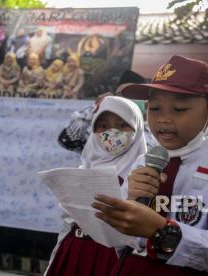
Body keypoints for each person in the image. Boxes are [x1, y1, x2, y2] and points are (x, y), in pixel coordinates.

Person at [92, 55, 208, 275]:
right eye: (155, 108)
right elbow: (116, 239)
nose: (163, 119)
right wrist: (128, 203)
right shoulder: (143, 162)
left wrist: (163, 231)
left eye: (179, 109)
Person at [45, 96, 147, 276]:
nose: (112, 133)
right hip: (74, 252)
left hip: (114, 259)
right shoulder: (83, 170)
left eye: (123, 125)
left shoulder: (144, 175)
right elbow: (67, 225)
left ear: (137, 128)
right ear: (93, 130)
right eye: (103, 126)